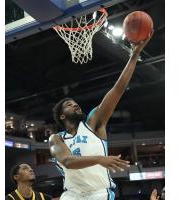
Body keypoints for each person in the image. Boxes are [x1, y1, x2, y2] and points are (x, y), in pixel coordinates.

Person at [49, 31, 153, 200]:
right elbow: (67, 161)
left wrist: (134, 56)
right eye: (69, 105)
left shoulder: (93, 123)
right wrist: (99, 159)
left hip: (99, 194)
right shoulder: (56, 139)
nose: (75, 105)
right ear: (62, 117)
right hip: (72, 195)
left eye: (76, 103)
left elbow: (118, 90)